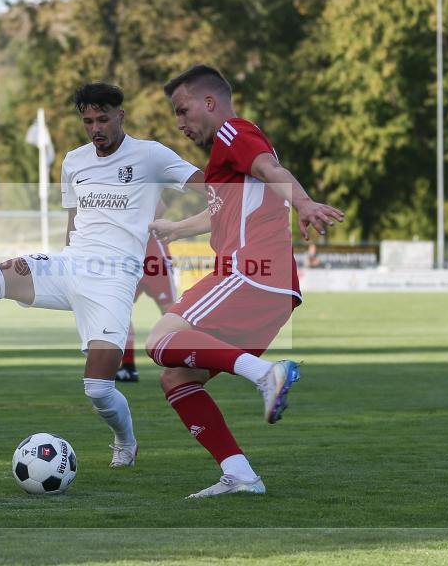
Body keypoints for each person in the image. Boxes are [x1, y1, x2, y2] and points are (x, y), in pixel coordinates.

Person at [0, 82, 203, 467]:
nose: (96, 128)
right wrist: (47, 265)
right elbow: (73, 225)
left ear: (120, 116)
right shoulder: (74, 161)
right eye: (88, 120)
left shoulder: (151, 155)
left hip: (112, 282)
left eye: (103, 119)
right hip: (69, 266)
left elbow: (216, 191)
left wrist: (181, 227)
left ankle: (125, 440)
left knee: (98, 390)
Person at [146, 65, 344, 498]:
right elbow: (224, 212)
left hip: (249, 272)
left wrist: (305, 203)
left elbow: (272, 169)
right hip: (269, 287)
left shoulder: (234, 132)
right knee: (177, 378)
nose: (180, 124)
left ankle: (266, 376)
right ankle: (240, 475)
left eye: (183, 111)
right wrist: (177, 229)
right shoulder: (223, 155)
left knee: (159, 340)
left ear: (209, 102)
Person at [116, 227, 178, 383]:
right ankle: (128, 367)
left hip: (154, 254)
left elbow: (160, 207)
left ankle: (182, 362)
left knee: (170, 310)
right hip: (128, 256)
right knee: (118, 310)